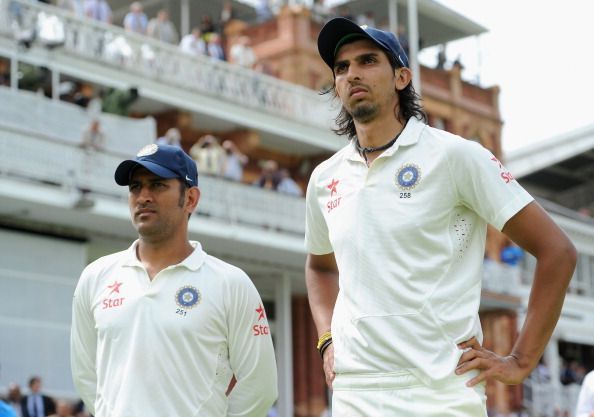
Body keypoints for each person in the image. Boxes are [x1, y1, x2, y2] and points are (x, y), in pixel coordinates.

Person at [305, 17, 577, 416]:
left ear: (401, 77)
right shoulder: (325, 177)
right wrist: (327, 340)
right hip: (354, 393)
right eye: (341, 67)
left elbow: (558, 251)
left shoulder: (455, 156)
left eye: (367, 61)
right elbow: (320, 268)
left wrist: (519, 361)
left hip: (440, 394)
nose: (352, 75)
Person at [70, 144, 278, 417]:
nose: (143, 196)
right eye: (135, 187)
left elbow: (260, 387)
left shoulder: (230, 283)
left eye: (157, 185)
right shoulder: (96, 277)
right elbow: (86, 376)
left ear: (190, 199)